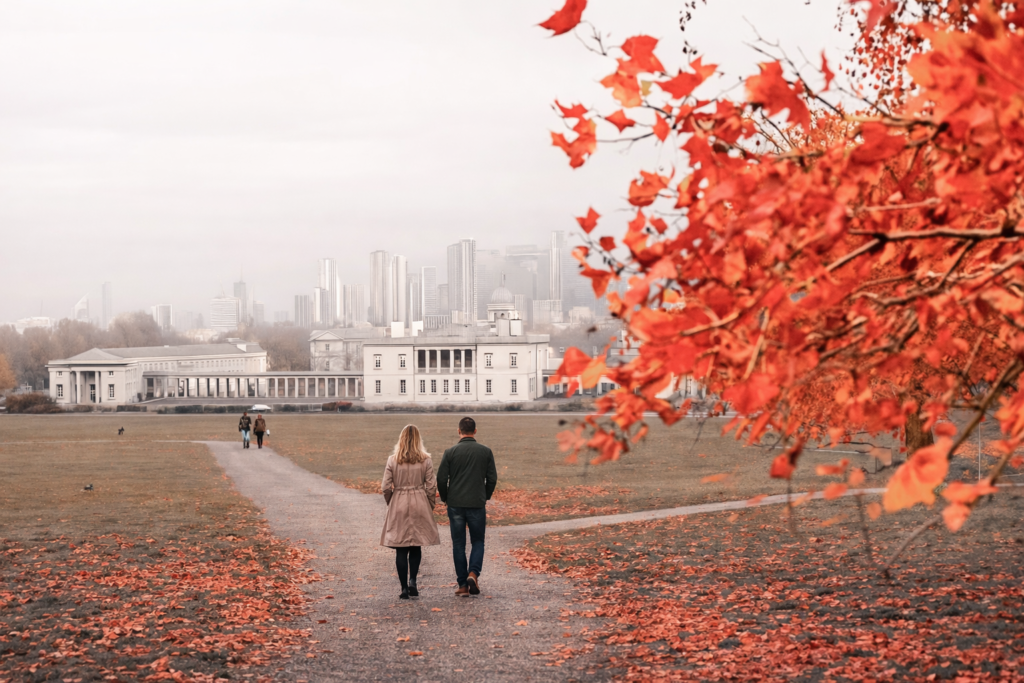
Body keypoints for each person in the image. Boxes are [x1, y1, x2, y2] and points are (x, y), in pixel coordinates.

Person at [436, 416, 497, 597]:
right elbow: (492, 478)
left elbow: (441, 478)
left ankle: (463, 584)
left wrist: (446, 497)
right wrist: (484, 495)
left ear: (459, 431)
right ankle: (473, 573)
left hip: (455, 503)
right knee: (478, 541)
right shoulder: (485, 452)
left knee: (458, 544)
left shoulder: (450, 452)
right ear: (475, 431)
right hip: (476, 503)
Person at [380, 424, 441, 600]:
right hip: (419, 500)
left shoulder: (393, 460)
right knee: (416, 544)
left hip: (399, 499)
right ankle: (413, 580)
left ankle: (404, 587)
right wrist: (429, 504)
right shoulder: (425, 460)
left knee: (401, 547)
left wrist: (391, 501)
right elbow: (431, 486)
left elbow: (385, 487)